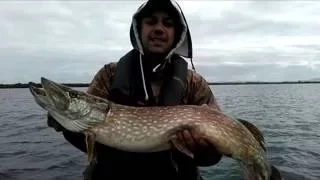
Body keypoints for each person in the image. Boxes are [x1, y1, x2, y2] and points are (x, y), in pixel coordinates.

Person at [47, 0, 223, 179]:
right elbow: (91, 141)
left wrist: (202, 149)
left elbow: (214, 156)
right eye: (151, 21)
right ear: (138, 29)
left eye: (168, 24)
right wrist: (69, 128)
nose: (159, 29)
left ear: (177, 34)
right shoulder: (110, 75)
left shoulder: (194, 83)